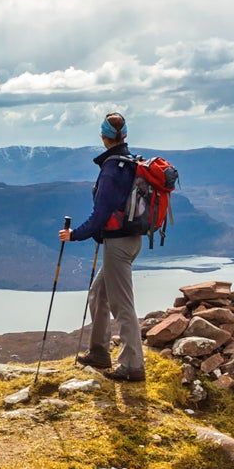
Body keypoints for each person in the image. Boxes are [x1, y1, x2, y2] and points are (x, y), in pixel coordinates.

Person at [57, 112, 145, 382]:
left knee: (122, 305)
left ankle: (133, 366)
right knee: (98, 294)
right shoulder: (130, 162)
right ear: (124, 135)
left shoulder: (112, 169)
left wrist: (74, 235)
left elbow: (100, 215)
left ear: (104, 137)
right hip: (130, 240)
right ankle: (99, 352)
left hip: (118, 245)